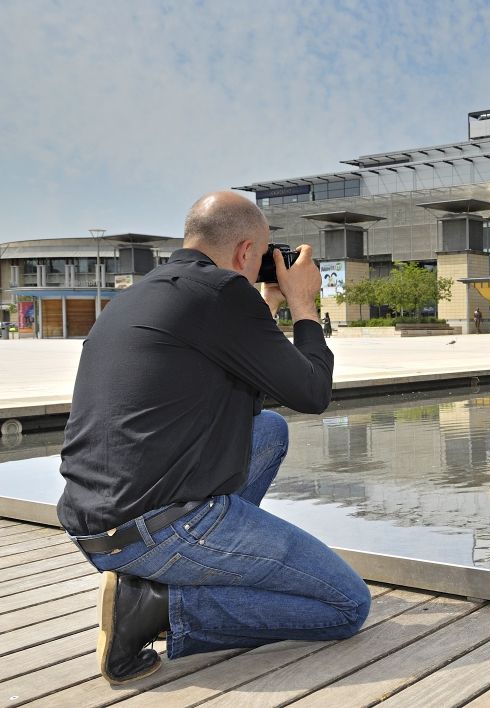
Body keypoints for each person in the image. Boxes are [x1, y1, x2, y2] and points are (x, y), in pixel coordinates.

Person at [57, 192, 371, 685]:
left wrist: (263, 309)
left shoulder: (150, 290)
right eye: (265, 254)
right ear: (247, 252)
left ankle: (172, 572)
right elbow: (312, 391)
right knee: (346, 605)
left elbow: (245, 399)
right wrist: (304, 303)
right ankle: (156, 606)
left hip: (97, 524)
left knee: (268, 431)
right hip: (155, 529)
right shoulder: (224, 292)